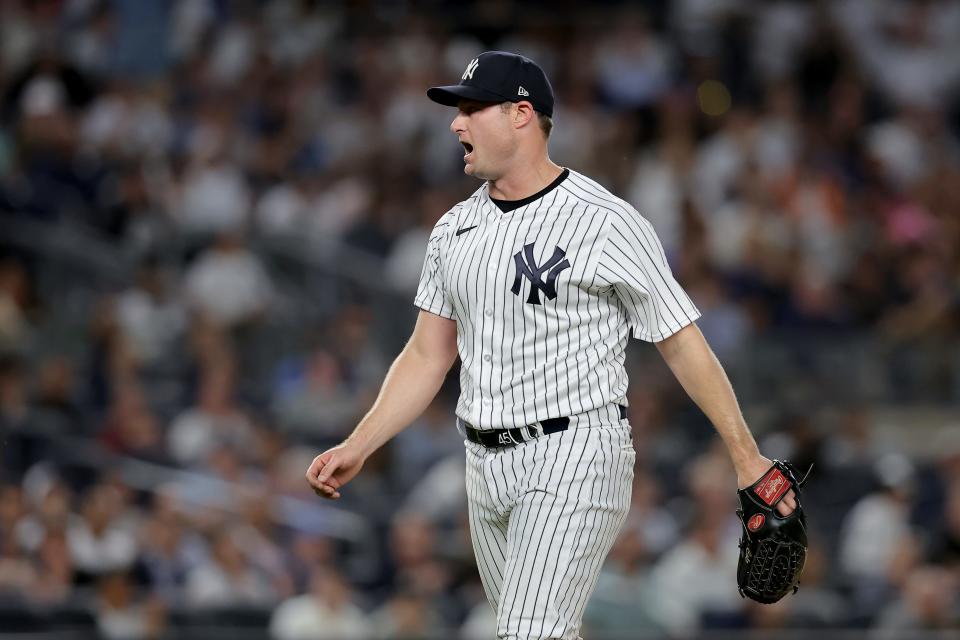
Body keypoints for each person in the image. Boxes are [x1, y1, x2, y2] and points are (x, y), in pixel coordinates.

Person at [306, 50, 797, 640]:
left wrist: (745, 456)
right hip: (482, 463)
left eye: (470, 109)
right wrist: (361, 442)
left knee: (530, 634)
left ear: (520, 114)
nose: (456, 124)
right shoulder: (453, 230)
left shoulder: (603, 220)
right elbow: (427, 355)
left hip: (576, 451)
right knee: (539, 631)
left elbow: (681, 340)